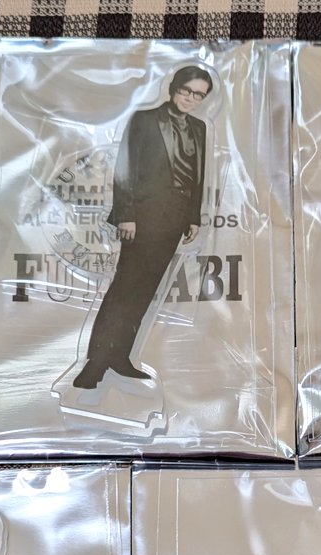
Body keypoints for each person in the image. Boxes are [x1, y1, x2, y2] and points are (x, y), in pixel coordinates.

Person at [73, 65, 212, 389]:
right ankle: (95, 364)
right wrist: (126, 214)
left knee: (145, 291)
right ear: (174, 87)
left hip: (175, 221)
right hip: (141, 218)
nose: (191, 99)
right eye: (187, 90)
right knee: (124, 288)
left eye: (199, 95)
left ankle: (120, 357)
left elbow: (198, 176)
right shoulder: (145, 119)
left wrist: (193, 216)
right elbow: (126, 167)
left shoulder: (200, 128)